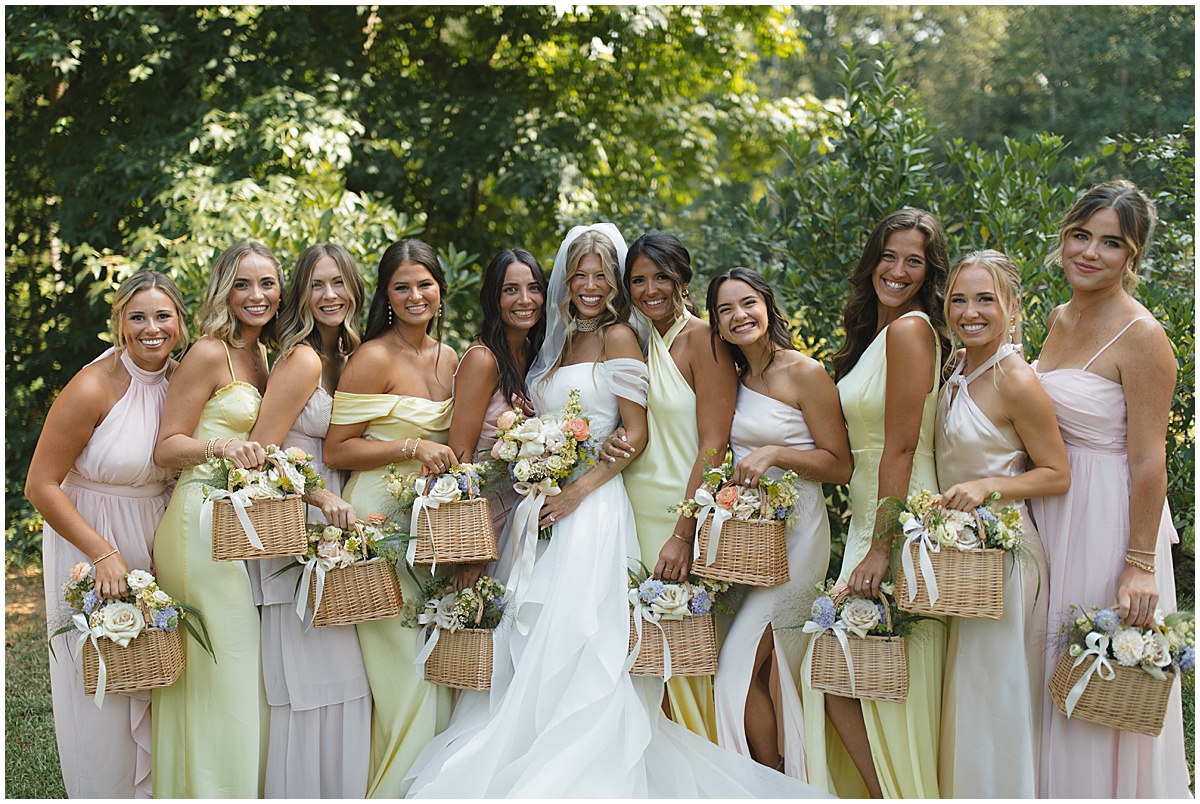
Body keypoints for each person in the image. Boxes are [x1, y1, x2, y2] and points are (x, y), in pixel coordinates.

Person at [402, 223, 829, 798]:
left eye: (603, 274)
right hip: (552, 507)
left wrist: (582, 491)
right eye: (579, 274)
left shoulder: (626, 338)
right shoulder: (558, 345)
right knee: (541, 636)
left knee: (604, 642)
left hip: (603, 506)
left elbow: (641, 432)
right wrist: (536, 457)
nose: (590, 284)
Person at [1029, 180, 1192, 798]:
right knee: (1052, 674)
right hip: (1052, 509)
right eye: (1080, 236)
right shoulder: (1059, 316)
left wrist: (1140, 566)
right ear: (1064, 239)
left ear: (1133, 256)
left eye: (1111, 243)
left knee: (1098, 685)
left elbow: (1151, 461)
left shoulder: (1144, 338)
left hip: (1109, 520)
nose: (1090, 253)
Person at [802, 208, 951, 798]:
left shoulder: (912, 331)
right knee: (848, 677)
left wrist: (882, 547)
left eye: (913, 260)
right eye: (888, 256)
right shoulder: (880, 335)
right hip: (869, 520)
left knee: (864, 682)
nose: (897, 270)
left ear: (929, 272)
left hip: (898, 525)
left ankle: (899, 793)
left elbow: (903, 446)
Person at [26, 271, 188, 799]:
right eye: (137, 316)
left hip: (154, 537)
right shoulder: (93, 385)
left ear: (181, 323)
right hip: (90, 536)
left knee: (152, 672)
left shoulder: (184, 382)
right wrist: (102, 553)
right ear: (119, 323)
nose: (151, 328)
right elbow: (41, 484)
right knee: (101, 683)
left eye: (163, 316)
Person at [323, 238, 459, 797]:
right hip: (377, 522)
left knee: (436, 666)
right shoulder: (373, 357)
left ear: (440, 289)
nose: (414, 295)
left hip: (433, 528)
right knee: (406, 675)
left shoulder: (449, 357)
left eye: (423, 284)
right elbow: (336, 450)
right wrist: (409, 446)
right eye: (400, 287)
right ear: (386, 295)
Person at [707, 267, 853, 778]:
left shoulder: (804, 373)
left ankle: (764, 781)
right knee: (762, 668)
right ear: (717, 325)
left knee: (736, 668)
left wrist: (774, 452)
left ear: (767, 305)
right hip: (750, 536)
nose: (738, 316)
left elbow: (840, 465)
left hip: (801, 533)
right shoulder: (733, 378)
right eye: (725, 310)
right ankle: (787, 774)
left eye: (747, 303)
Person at [933, 250, 1068, 797]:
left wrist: (991, 486)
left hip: (1004, 554)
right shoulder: (954, 365)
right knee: (961, 693)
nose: (971, 312)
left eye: (985, 299)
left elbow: (1057, 473)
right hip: (957, 553)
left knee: (994, 697)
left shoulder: (1015, 378)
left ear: (1012, 306)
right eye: (959, 299)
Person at [151, 241, 282, 797]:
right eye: (243, 284)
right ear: (224, 291)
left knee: (233, 669)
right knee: (224, 667)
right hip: (196, 523)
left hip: (236, 521)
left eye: (268, 283)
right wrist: (223, 448)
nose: (257, 296)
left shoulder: (264, 354)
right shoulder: (210, 351)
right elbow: (167, 446)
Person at [245, 243, 371, 798]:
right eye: (317, 285)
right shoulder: (301, 359)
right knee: (313, 684)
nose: (329, 296)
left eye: (339, 283)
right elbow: (260, 451)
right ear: (301, 293)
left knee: (346, 683)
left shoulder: (351, 352)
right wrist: (320, 499)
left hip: (339, 523)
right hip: (295, 520)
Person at [603, 230, 737, 742]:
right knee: (642, 657)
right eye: (638, 279)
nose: (650, 289)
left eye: (661, 276)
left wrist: (684, 532)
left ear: (683, 277)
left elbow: (714, 444)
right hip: (633, 509)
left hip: (680, 515)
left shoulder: (703, 339)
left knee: (685, 659)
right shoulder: (638, 341)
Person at [446, 247, 547, 591]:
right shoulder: (482, 359)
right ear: (493, 297)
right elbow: (460, 457)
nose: (525, 299)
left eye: (534, 288)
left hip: (526, 511)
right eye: (510, 290)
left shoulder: (536, 355)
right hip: (486, 517)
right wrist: (469, 550)